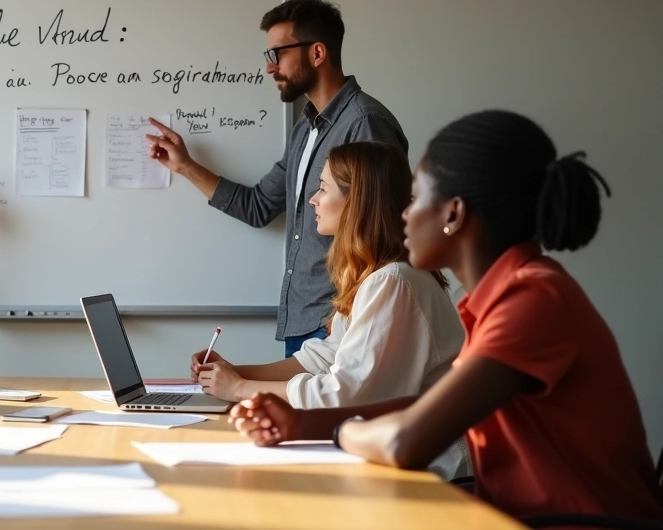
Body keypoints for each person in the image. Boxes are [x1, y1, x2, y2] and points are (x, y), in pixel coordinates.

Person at [230, 111, 663, 521]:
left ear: (453, 215)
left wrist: (340, 431)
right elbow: (427, 406)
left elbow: (405, 440)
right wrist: (301, 421)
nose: (402, 213)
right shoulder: (498, 298)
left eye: (416, 198)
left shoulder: (533, 299)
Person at [148, 0, 407, 356]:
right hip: (303, 320)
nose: (270, 68)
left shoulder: (364, 123)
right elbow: (258, 207)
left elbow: (385, 231)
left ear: (317, 53)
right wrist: (185, 166)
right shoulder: (306, 130)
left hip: (341, 323)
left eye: (278, 54)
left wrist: (349, 309)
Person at [194, 141, 467, 478]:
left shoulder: (393, 281)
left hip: (438, 472)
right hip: (403, 459)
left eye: (323, 188)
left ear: (357, 202)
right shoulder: (374, 275)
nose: (313, 200)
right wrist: (237, 372)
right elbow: (325, 357)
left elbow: (344, 396)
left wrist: (238, 389)